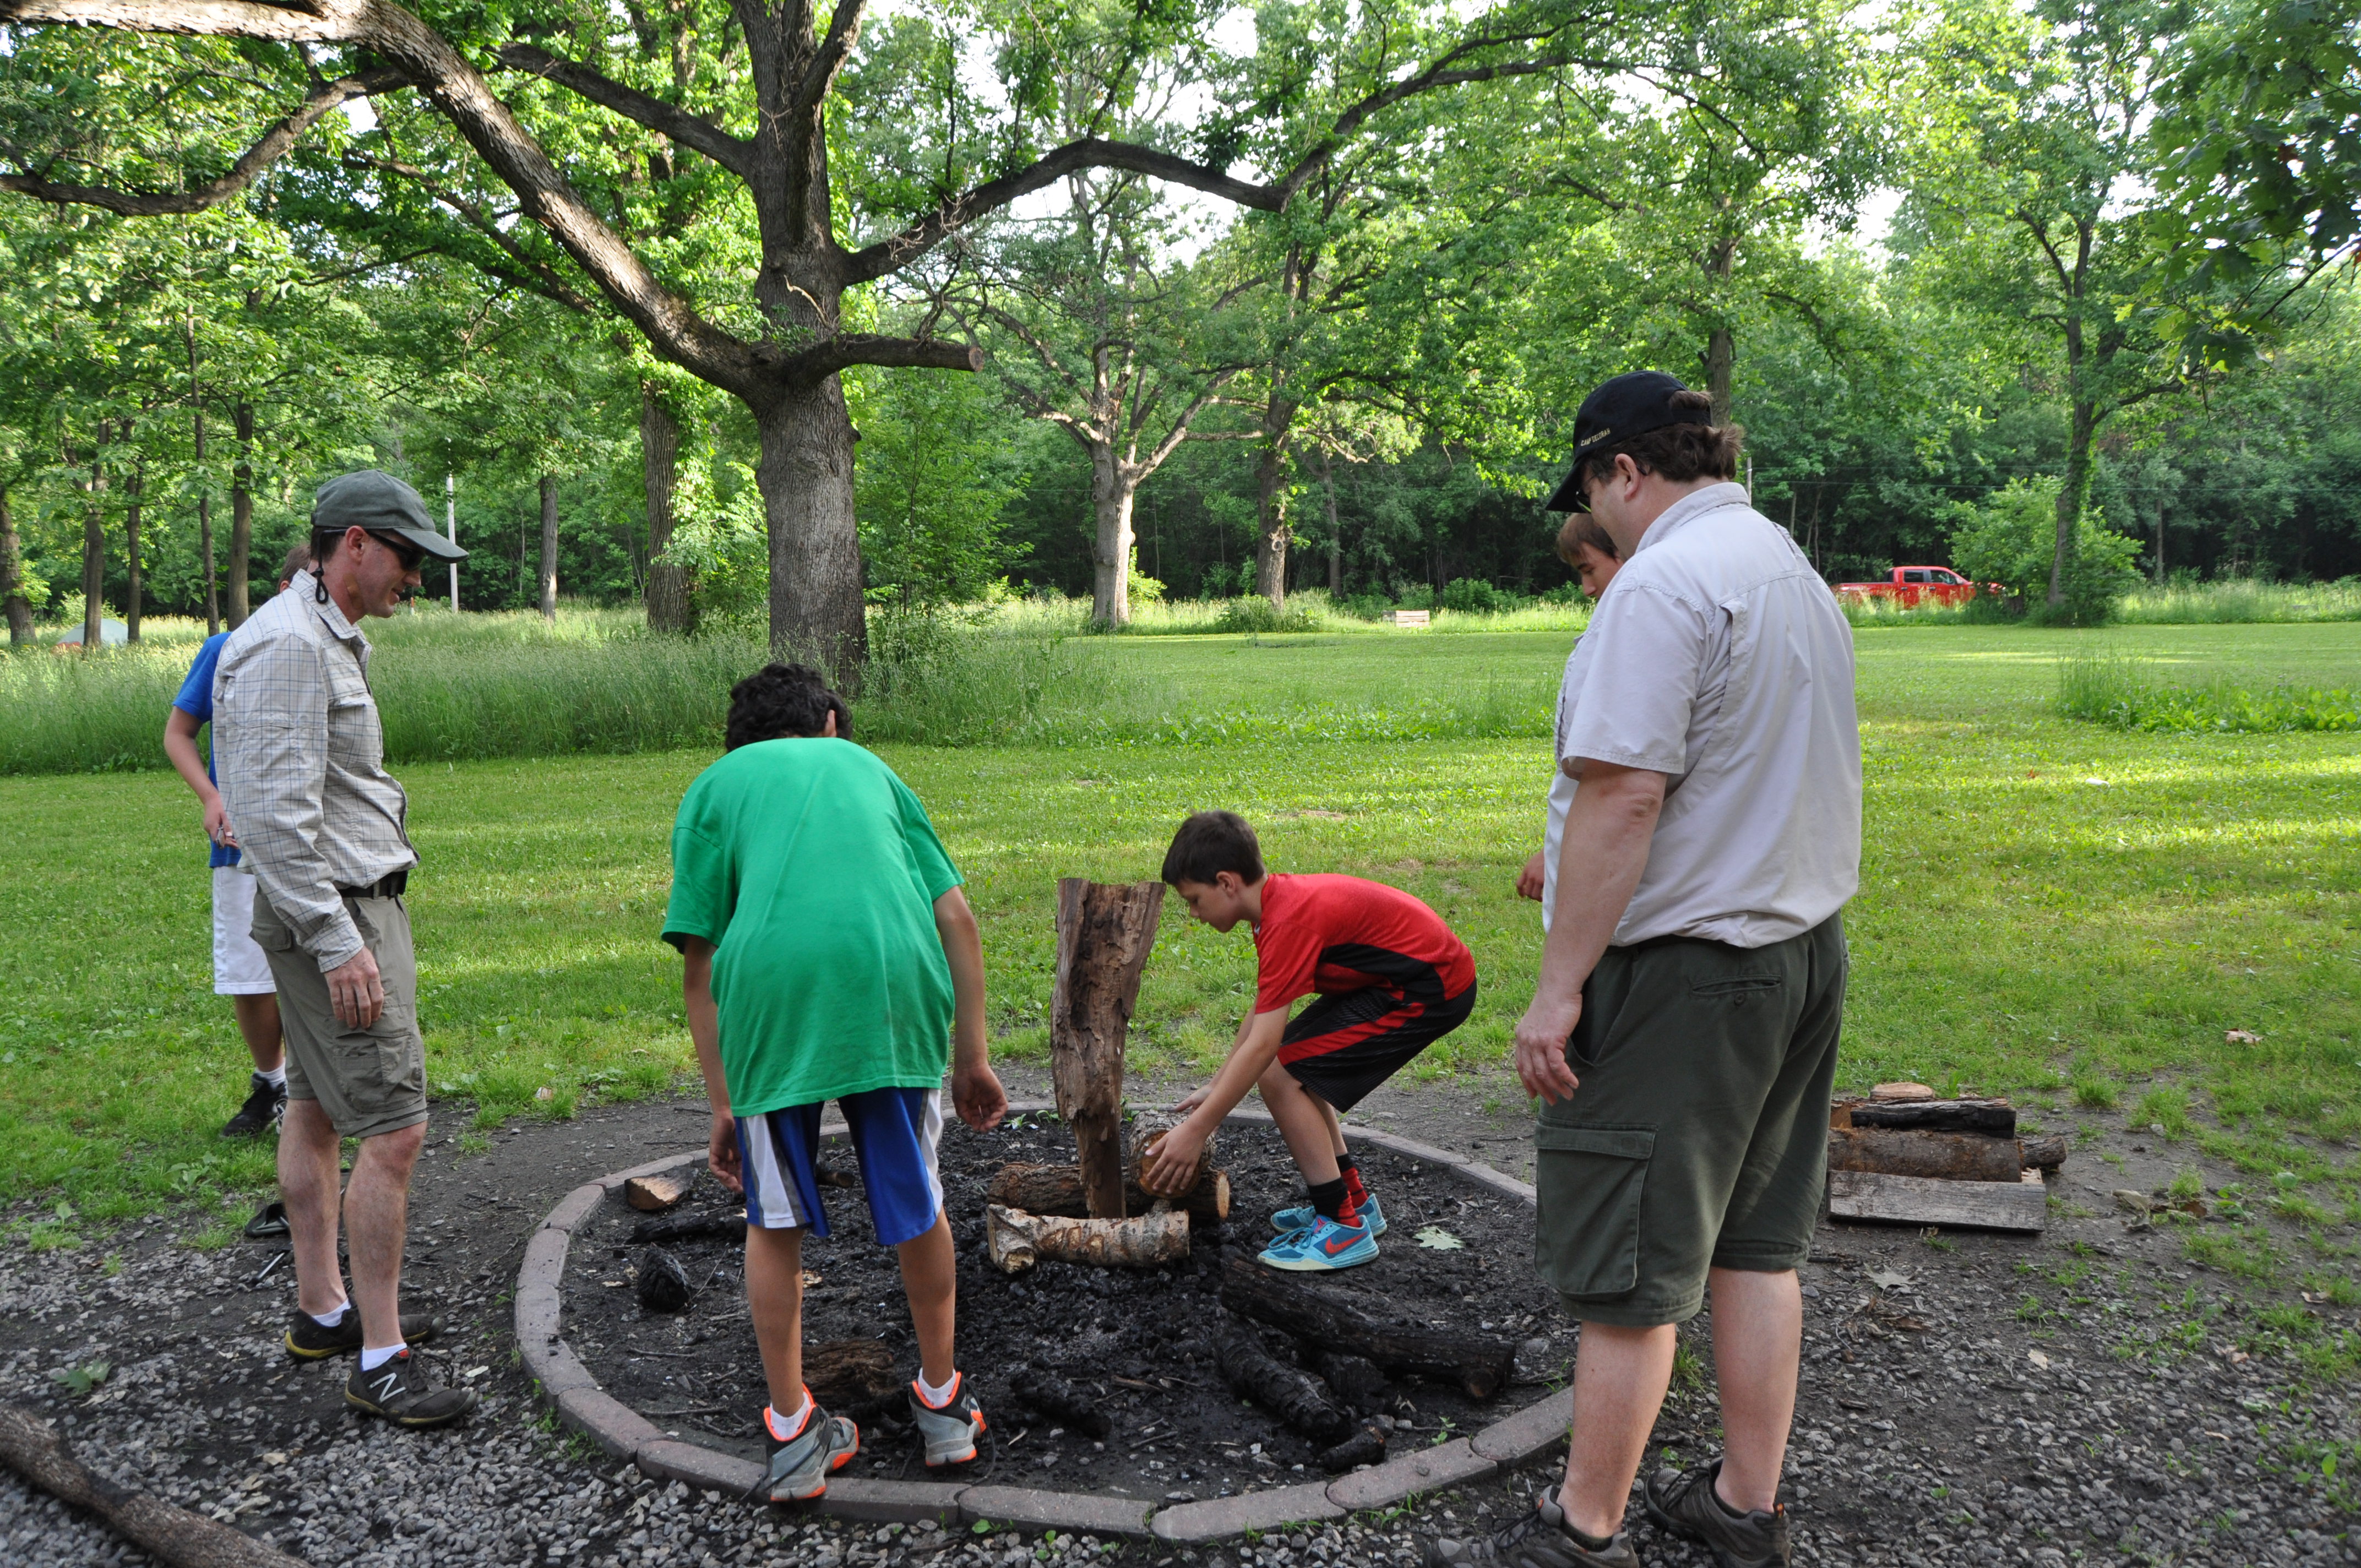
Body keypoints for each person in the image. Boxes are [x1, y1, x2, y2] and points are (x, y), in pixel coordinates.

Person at [1426, 373, 1859, 1568]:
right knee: (1754, 1247)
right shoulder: (1785, 566)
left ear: (1623, 469)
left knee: (1626, 1265)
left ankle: (1581, 1531)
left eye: (1590, 489)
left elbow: (1624, 795)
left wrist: (1557, 987)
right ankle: (1742, 1505)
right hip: (1797, 953)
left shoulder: (1663, 582)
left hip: (1686, 975)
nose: (1593, 517)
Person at [661, 662, 1008, 1502]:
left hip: (771, 1002)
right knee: (919, 1201)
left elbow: (701, 966)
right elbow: (956, 918)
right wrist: (972, 1058)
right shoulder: (871, 768)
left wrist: (724, 1102)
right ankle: (943, 1407)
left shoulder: (714, 789)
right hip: (889, 985)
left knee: (773, 1218)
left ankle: (792, 1433)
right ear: (828, 723)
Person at [213, 469, 473, 1429]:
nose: (417, 579)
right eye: (409, 559)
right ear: (354, 543)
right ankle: (381, 1358)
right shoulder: (289, 644)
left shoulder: (316, 632)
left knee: (317, 1105)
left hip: (339, 906)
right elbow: (271, 821)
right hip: (337, 914)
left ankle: (324, 1309)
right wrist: (337, 943)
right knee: (395, 1128)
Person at [1143, 810, 1477, 1271]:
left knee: (1280, 1076)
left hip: (1430, 991)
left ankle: (1341, 1228)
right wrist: (1217, 1083)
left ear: (1226, 883)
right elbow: (1264, 1008)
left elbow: (1263, 1048)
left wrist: (1196, 1131)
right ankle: (1352, 1203)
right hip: (1395, 982)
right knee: (1294, 1067)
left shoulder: (1286, 921)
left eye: (1194, 900)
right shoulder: (1272, 908)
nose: (1194, 914)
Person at [162, 541, 314, 1138]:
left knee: (319, 964)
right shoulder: (224, 649)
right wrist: (211, 796)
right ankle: (271, 1084)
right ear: (283, 590)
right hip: (240, 842)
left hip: (312, 841)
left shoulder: (330, 652)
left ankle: (316, 1088)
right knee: (251, 975)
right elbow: (178, 733)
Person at [1516, 515, 1623, 906]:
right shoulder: (1614, 629)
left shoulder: (1624, 642)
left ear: (1624, 552)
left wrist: (1558, 852)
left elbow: (1603, 772)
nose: (1587, 588)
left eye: (1589, 570)